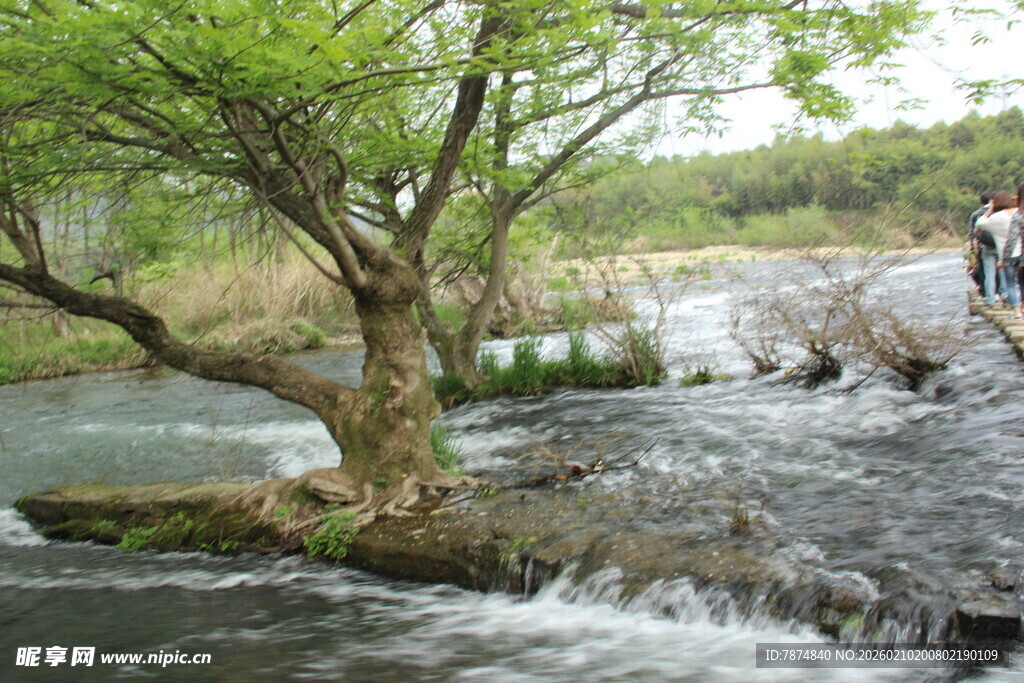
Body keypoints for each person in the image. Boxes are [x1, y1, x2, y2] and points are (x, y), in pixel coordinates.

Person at [976, 191, 1017, 309]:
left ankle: (990, 299)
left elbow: (979, 225)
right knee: (1013, 280)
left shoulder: (994, 217)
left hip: (994, 250)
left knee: (990, 274)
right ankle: (1008, 299)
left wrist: (989, 210)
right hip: (1015, 252)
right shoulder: (1017, 213)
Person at [968, 192, 993, 295]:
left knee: (984, 269)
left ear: (981, 201)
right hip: (999, 244)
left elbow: (971, 233)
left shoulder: (975, 214)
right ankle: (1000, 292)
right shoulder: (998, 212)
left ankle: (984, 290)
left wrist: (971, 247)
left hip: (982, 245)